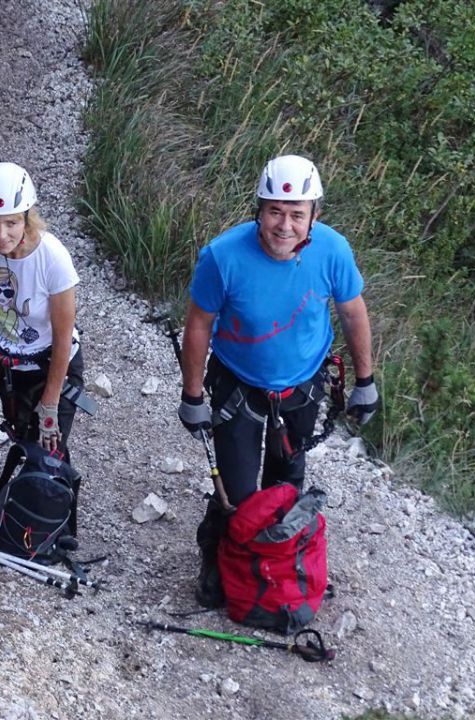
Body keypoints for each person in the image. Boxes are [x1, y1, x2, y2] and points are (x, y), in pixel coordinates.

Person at [177, 154, 379, 608]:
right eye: (274, 212)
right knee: (238, 489)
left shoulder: (332, 251)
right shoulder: (223, 256)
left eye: (296, 215)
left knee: (287, 481)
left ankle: (275, 561)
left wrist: (365, 379)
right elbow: (198, 325)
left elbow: (352, 312)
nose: (284, 225)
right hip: (237, 384)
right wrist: (193, 394)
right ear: (258, 210)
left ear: (313, 217)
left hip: (301, 386)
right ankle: (217, 556)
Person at [0, 161, 85, 464]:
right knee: (22, 435)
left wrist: (52, 401)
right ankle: (30, 501)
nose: (1, 235)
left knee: (45, 456)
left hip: (49, 366)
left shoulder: (53, 259)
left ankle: (49, 502)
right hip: (5, 364)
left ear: (28, 218)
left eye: (11, 223)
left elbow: (63, 337)